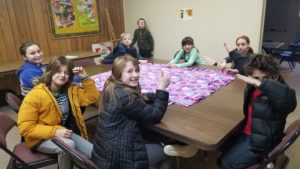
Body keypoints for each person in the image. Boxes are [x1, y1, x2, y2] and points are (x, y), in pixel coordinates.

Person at [92, 54, 173, 169]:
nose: (135, 75)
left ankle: (170, 143)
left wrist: (154, 96)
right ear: (118, 73)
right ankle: (173, 145)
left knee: (156, 137)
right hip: (119, 161)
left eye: (137, 70)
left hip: (105, 154)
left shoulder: (111, 87)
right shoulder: (126, 96)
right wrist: (161, 88)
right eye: (130, 71)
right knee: (167, 151)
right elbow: (154, 115)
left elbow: (140, 96)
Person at [17, 56, 99, 169]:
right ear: (50, 72)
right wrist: (54, 131)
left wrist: (85, 78)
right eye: (58, 71)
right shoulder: (35, 95)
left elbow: (92, 98)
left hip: (62, 131)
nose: (62, 75)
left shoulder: (70, 90)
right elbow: (25, 128)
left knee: (93, 152)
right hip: (39, 138)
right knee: (68, 146)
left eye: (66, 72)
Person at [218, 54, 297, 169]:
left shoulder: (281, 91)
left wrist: (260, 83)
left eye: (263, 79)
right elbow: (245, 67)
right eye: (254, 78)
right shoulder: (254, 82)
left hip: (261, 141)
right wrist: (236, 72)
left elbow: (289, 101)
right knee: (221, 147)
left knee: (226, 163)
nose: (257, 82)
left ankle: (265, 157)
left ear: (274, 76)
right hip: (249, 131)